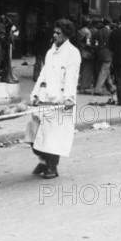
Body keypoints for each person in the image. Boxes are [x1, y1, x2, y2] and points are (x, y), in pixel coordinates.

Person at [24, 19, 81, 179]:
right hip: (44, 98)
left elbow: (72, 77)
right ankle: (43, 161)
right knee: (33, 133)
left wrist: (69, 98)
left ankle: (52, 167)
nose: (54, 35)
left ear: (67, 34)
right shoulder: (50, 52)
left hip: (60, 101)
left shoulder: (73, 53)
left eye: (58, 33)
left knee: (53, 136)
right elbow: (43, 73)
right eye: (54, 32)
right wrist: (34, 94)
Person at [93, 18, 115, 96]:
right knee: (104, 72)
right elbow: (113, 44)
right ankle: (97, 90)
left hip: (99, 53)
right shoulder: (111, 32)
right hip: (108, 54)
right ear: (110, 23)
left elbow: (95, 43)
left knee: (105, 71)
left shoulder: (98, 32)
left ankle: (111, 88)